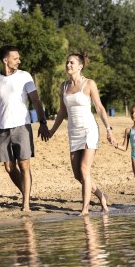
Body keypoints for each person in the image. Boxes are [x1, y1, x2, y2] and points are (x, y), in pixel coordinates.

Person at [0, 45, 50, 212]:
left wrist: (42, 122)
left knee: (24, 165)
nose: (19, 61)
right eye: (15, 58)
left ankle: (25, 204)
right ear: (6, 60)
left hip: (22, 127)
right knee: (9, 167)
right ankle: (26, 193)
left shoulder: (24, 76)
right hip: (2, 129)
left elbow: (36, 100)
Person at [49, 53, 116, 215]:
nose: (68, 65)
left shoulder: (89, 84)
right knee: (77, 174)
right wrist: (52, 131)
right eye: (67, 62)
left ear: (80, 66)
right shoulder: (63, 86)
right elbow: (62, 111)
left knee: (85, 169)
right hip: (73, 132)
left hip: (89, 130)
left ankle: (85, 209)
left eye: (72, 63)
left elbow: (99, 108)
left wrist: (108, 129)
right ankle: (101, 196)